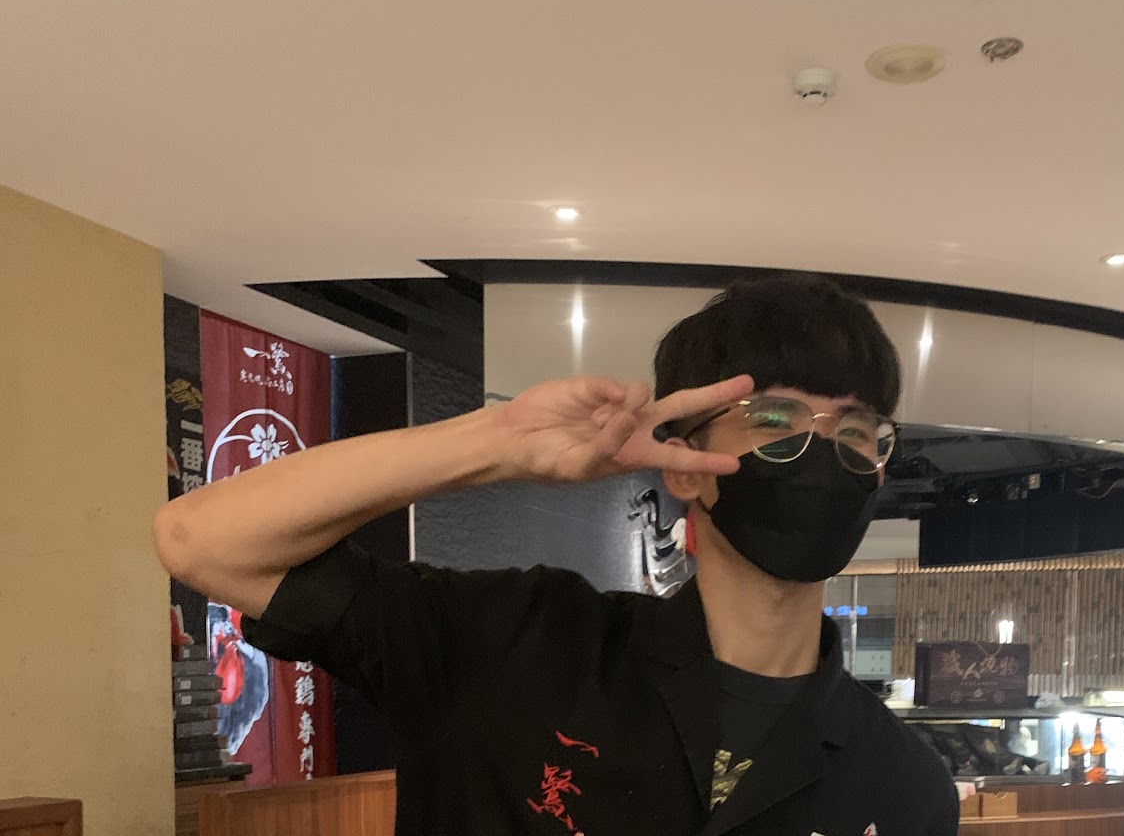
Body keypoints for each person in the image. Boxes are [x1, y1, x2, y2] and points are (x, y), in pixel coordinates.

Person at [154, 273, 959, 836]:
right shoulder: (514, 642)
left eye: (857, 429)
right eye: (775, 420)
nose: (824, 454)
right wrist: (500, 441)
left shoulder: (906, 787)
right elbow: (201, 541)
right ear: (685, 464)